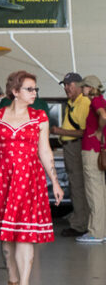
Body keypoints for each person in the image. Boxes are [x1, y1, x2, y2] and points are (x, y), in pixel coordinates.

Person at [0, 71, 63, 285]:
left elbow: (45, 150)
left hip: (29, 181)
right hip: (2, 179)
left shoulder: (39, 116)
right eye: (29, 89)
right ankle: (11, 281)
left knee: (25, 236)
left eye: (35, 89)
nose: (34, 93)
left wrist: (54, 180)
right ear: (15, 92)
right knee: (7, 237)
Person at [50, 73, 90, 237]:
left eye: (70, 85)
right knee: (75, 186)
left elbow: (84, 132)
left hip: (76, 148)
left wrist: (60, 131)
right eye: (65, 85)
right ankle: (79, 218)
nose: (66, 88)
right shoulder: (72, 103)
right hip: (69, 147)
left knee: (78, 186)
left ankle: (80, 225)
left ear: (80, 86)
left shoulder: (83, 103)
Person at [76, 75, 106, 244]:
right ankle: (101, 230)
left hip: (91, 150)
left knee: (93, 192)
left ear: (90, 87)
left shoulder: (95, 101)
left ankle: (95, 232)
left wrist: (100, 131)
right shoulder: (101, 100)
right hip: (97, 150)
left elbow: (103, 117)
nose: (81, 90)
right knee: (100, 192)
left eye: (83, 87)